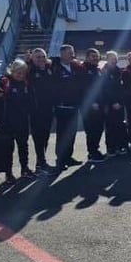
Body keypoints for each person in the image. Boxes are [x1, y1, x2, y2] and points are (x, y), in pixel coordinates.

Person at [0, 60, 36, 183]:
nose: (20, 75)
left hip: (22, 121)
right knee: (8, 149)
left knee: (23, 146)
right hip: (6, 122)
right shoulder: (4, 82)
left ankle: (24, 168)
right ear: (12, 71)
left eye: (23, 73)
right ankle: (8, 173)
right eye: (18, 73)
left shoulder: (26, 83)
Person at [51, 44, 84, 172]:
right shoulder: (55, 67)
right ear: (62, 53)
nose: (72, 54)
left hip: (74, 106)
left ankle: (68, 157)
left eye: (73, 52)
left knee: (72, 133)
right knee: (62, 134)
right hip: (62, 106)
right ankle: (60, 159)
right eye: (70, 52)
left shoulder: (74, 66)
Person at [26, 48, 55, 174]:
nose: (41, 59)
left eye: (43, 56)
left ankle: (41, 162)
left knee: (45, 137)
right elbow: (10, 76)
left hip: (48, 109)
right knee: (38, 137)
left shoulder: (48, 68)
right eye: (38, 57)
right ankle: (41, 164)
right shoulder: (28, 70)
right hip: (35, 110)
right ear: (32, 58)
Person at [102, 50, 128, 157]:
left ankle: (120, 145)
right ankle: (111, 148)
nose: (113, 60)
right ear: (107, 59)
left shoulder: (119, 71)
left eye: (115, 58)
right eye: (111, 58)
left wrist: (120, 102)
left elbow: (121, 89)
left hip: (119, 104)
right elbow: (105, 89)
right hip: (110, 104)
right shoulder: (104, 71)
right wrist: (113, 102)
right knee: (110, 126)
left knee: (120, 125)